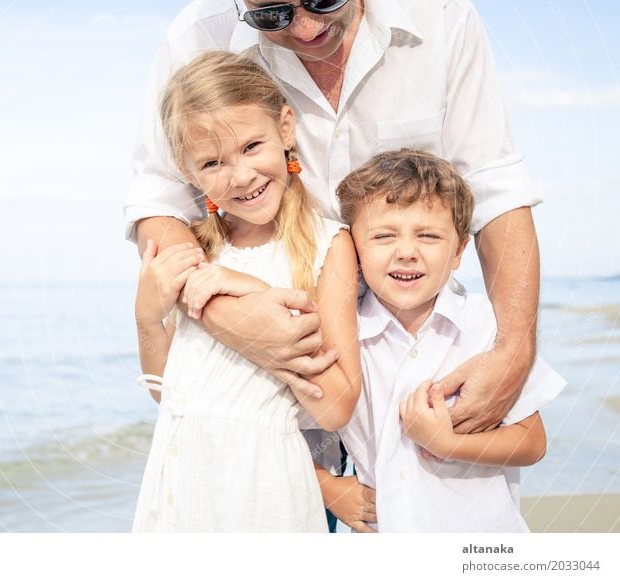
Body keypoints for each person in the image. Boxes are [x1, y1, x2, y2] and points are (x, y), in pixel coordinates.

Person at [125, 0, 542, 531]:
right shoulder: (195, 34)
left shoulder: (443, 17)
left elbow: (495, 184)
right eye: (270, 15)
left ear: (284, 129)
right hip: (242, 467)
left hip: (397, 354)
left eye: (323, 0)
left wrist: (514, 345)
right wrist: (227, 316)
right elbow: (158, 197)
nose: (304, 28)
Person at [132, 51, 360, 532]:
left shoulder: (328, 246)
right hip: (180, 481)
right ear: (187, 171)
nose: (240, 176)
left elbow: (338, 406)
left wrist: (250, 289)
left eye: (252, 146)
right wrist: (147, 320)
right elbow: (170, 395)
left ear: (285, 128)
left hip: (264, 488)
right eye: (213, 162)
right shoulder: (194, 253)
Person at [324, 149, 565, 531]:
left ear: (458, 251)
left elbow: (532, 442)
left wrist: (447, 443)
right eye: (384, 236)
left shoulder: (487, 325)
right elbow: (284, 429)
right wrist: (327, 487)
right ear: (353, 247)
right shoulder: (341, 333)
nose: (406, 252)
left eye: (428, 236)